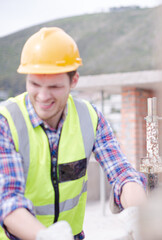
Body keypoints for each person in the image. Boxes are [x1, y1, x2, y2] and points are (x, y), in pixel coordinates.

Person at [0, 27, 147, 240]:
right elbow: (7, 200)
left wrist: (141, 217)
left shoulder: (90, 118)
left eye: (54, 86)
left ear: (74, 81)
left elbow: (122, 173)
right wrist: (46, 236)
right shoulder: (6, 121)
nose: (43, 96)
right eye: (34, 84)